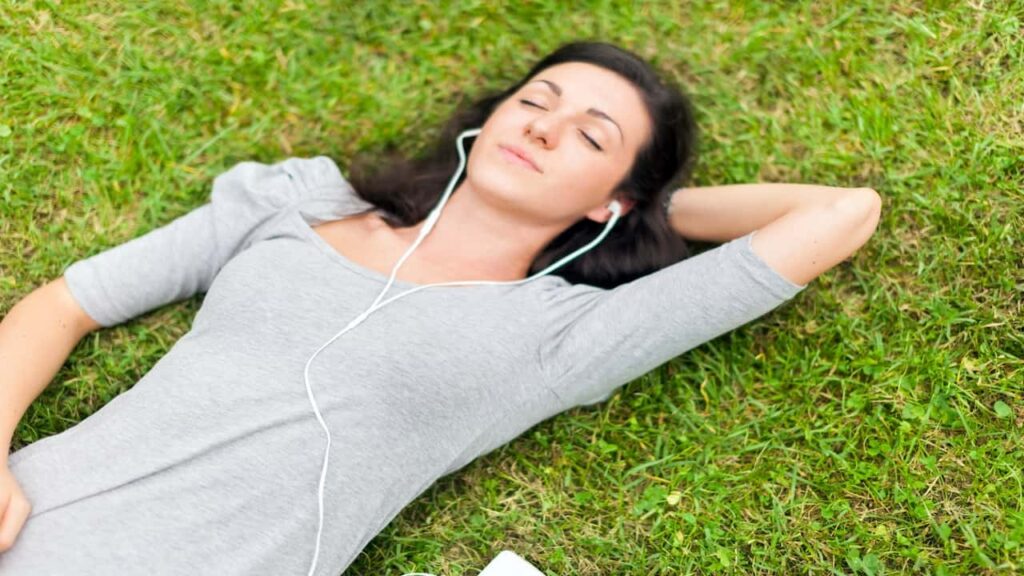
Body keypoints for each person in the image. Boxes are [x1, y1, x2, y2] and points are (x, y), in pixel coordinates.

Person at [0, 41, 881, 574]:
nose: (542, 125)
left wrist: (643, 217)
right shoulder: (300, 201)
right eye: (536, 101)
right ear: (487, 119)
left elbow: (841, 215)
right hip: (26, 516)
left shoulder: (560, 335)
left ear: (610, 198)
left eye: (590, 136)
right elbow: (65, 304)